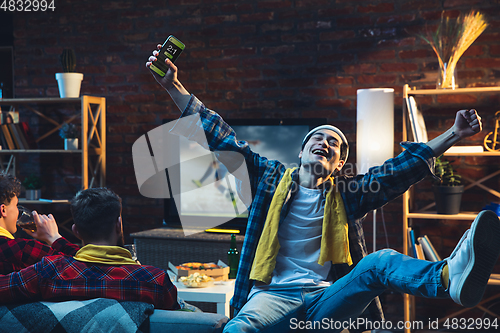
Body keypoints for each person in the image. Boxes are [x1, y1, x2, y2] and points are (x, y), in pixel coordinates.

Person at [146, 49, 500, 331]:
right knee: (236, 330)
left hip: (324, 302)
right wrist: (172, 87)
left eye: (335, 144)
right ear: (301, 151)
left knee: (379, 262)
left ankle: (448, 277)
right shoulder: (268, 179)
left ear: (338, 164)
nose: (326, 144)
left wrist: (453, 135)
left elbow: (396, 172)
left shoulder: (346, 195)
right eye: (319, 138)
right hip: (271, 296)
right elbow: (222, 136)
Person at [0, 187, 180, 310]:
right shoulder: (155, 280)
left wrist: (55, 239)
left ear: (76, 231)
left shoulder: (49, 271)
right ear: (119, 225)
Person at [0, 173, 80, 274]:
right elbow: (80, 266)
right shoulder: (22, 249)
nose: (18, 211)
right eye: (16, 205)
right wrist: (54, 237)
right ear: (3, 210)